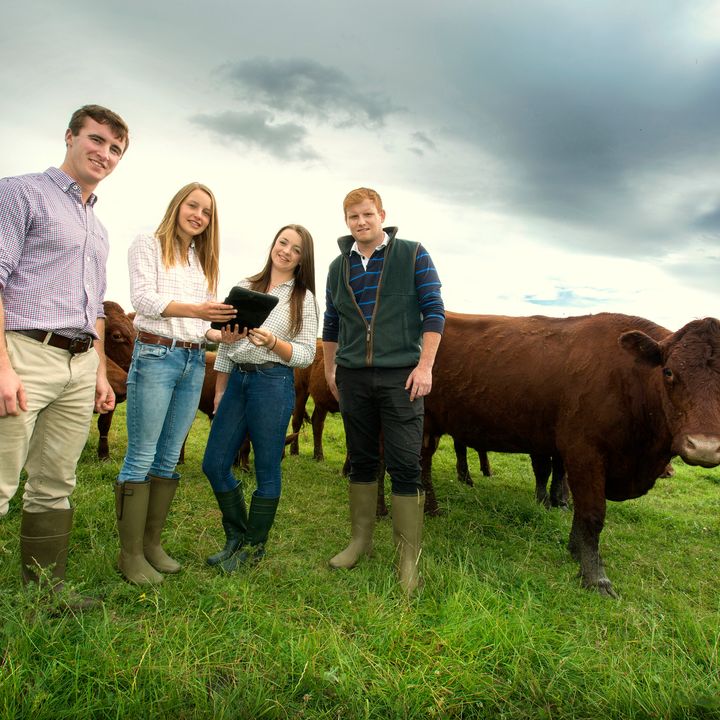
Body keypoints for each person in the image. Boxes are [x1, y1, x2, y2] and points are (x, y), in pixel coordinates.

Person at [0, 104, 129, 608]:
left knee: (56, 481)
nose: (105, 153)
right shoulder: (19, 192)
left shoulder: (98, 230)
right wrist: (3, 366)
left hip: (79, 363)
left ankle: (44, 591)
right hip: (25, 351)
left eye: (115, 149)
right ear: (70, 137)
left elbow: (96, 309)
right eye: (97, 140)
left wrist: (98, 373)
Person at [115, 182, 240, 585]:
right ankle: (129, 554)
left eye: (206, 212)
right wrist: (198, 309)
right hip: (155, 355)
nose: (199, 216)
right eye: (193, 206)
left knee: (169, 456)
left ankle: (151, 544)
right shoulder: (146, 244)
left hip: (192, 359)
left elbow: (203, 327)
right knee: (142, 453)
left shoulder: (200, 262)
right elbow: (145, 300)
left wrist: (223, 334)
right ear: (177, 205)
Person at [323, 187, 445, 596]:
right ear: (347, 221)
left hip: (401, 377)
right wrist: (329, 370)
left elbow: (434, 311)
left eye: (368, 214)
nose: (361, 222)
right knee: (360, 460)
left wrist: (425, 366)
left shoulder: (412, 254)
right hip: (354, 377)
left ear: (382, 215)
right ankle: (360, 542)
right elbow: (331, 324)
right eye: (353, 216)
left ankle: (408, 557)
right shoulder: (339, 266)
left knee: (406, 463)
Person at [202, 224, 318, 572]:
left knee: (267, 469)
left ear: (302, 259)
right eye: (283, 242)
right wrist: (221, 389)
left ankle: (253, 548)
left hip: (273, 383)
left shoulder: (303, 298)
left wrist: (272, 343)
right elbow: (225, 341)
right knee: (214, 463)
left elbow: (306, 354)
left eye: (296, 249)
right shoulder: (246, 286)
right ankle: (237, 537)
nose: (286, 251)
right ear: (273, 244)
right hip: (237, 381)